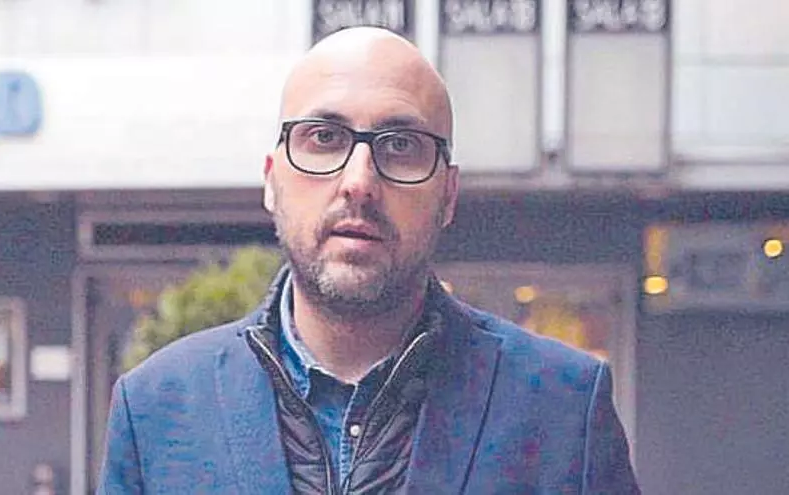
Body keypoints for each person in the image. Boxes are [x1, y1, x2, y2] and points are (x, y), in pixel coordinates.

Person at [98, 26, 641, 494]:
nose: (358, 182)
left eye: (400, 145)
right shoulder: (156, 409)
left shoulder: (564, 406)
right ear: (271, 179)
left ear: (448, 195)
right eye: (323, 137)